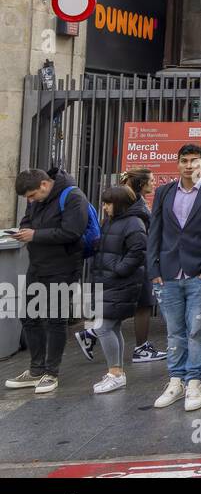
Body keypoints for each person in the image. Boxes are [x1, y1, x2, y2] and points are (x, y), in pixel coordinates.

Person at [147, 145, 201, 412]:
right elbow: (154, 232)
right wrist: (154, 270)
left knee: (196, 330)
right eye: (184, 161)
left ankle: (195, 380)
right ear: (177, 164)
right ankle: (175, 380)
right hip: (169, 272)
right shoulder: (164, 192)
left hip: (199, 273)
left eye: (195, 161)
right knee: (174, 331)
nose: (189, 166)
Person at [5, 168, 89, 395]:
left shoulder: (73, 196)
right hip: (38, 265)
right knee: (29, 316)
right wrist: (23, 231)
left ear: (44, 184)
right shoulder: (36, 200)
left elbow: (72, 232)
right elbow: (27, 220)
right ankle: (35, 369)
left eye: (31, 196)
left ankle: (51, 373)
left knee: (55, 319)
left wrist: (35, 235)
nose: (30, 201)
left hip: (63, 267)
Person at [76, 168, 166, 366]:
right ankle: (126, 359)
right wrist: (119, 268)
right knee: (124, 315)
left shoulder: (127, 213)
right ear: (141, 185)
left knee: (113, 321)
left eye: (107, 204)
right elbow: (136, 247)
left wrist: (117, 268)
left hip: (119, 274)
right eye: (150, 181)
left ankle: (114, 366)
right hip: (125, 273)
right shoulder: (133, 211)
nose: (153, 184)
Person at [78, 185, 145, 394]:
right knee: (112, 327)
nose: (105, 207)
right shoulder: (112, 221)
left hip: (120, 283)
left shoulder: (133, 223)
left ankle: (115, 373)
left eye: (108, 203)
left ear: (119, 203)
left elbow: (138, 250)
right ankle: (117, 373)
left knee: (105, 326)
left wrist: (119, 269)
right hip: (109, 282)